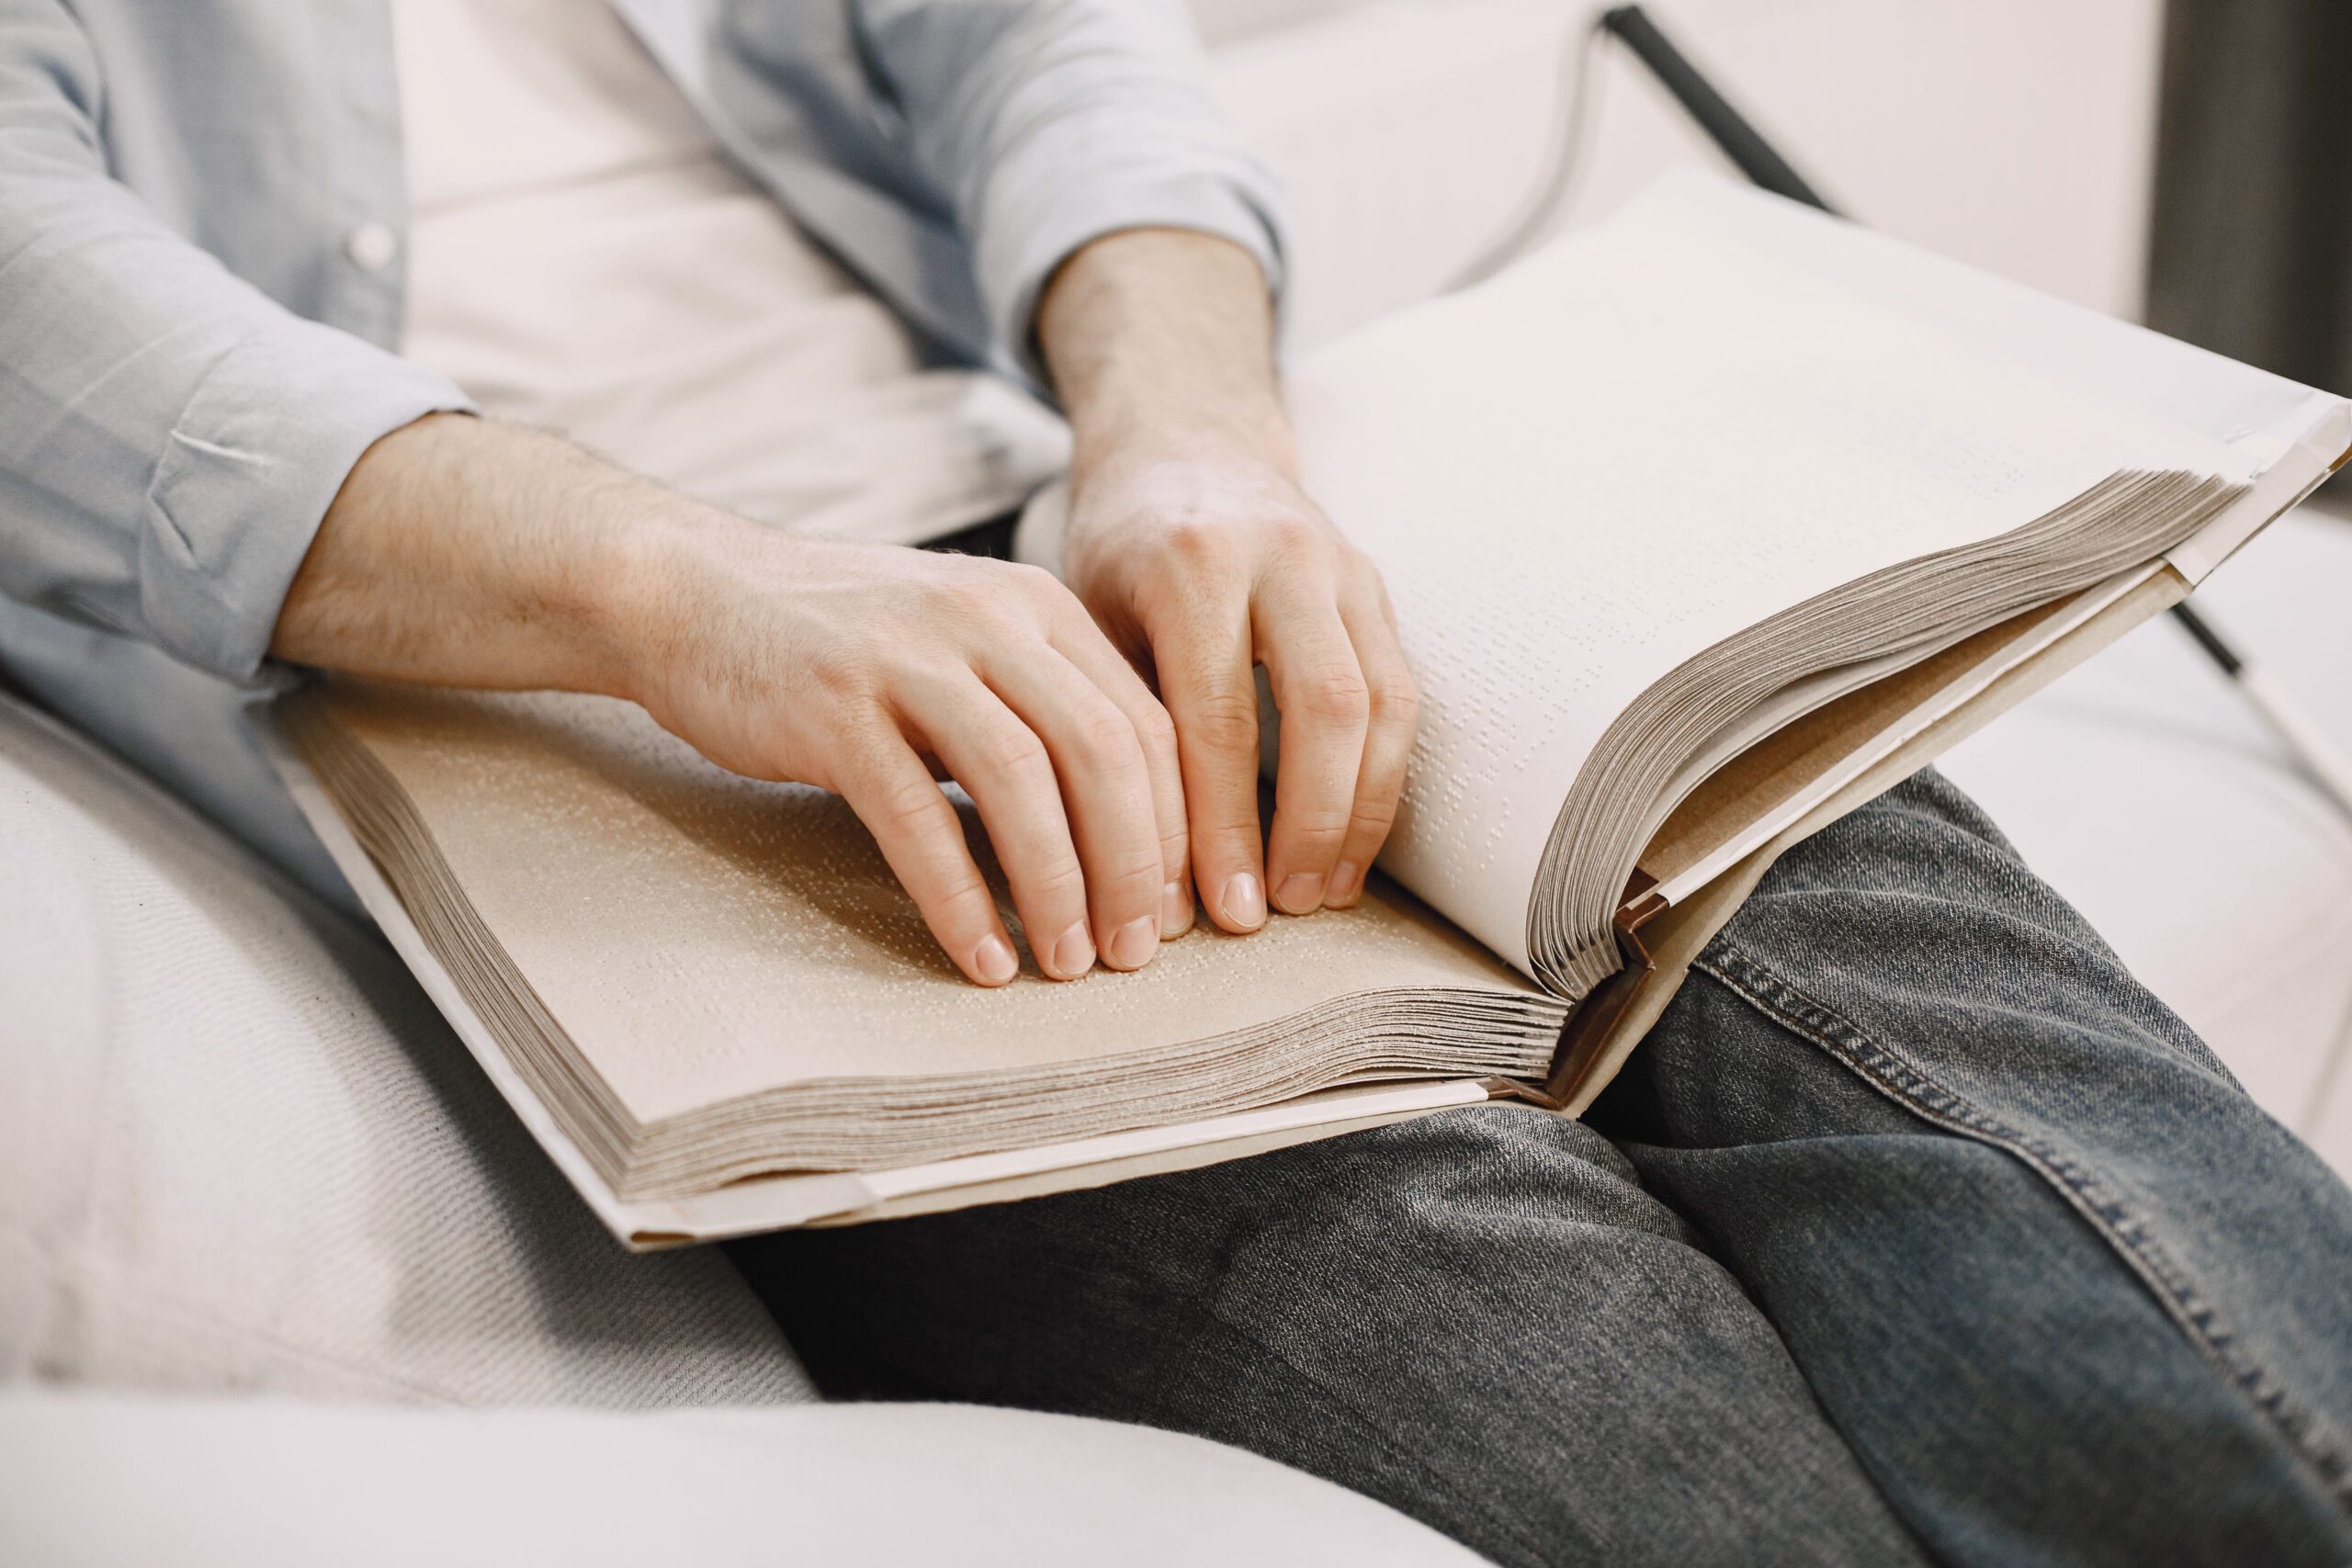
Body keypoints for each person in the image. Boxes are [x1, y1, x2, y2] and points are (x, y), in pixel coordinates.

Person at [2, 4, 2346, 1564]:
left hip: (1029, 500)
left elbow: (1044, 47)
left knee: (1837, 900)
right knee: (1436, 1245)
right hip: (581, 704)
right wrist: (682, 593)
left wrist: (1186, 428)